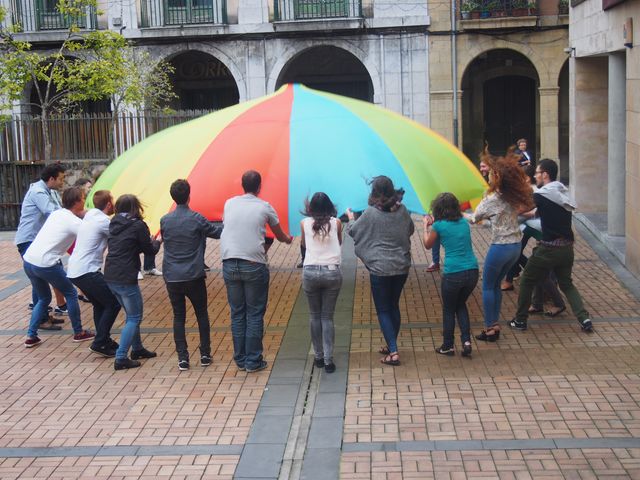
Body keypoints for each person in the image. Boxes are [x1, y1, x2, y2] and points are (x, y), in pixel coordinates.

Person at [221, 170, 293, 373]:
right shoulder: (265, 207)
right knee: (254, 313)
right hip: (254, 264)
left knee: (237, 313)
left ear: (242, 185)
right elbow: (278, 235)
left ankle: (240, 358)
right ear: (260, 186)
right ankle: (253, 360)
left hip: (229, 262)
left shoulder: (229, 203)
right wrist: (288, 239)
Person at [509, 159, 593, 332]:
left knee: (526, 280)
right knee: (566, 284)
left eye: (537, 173)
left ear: (545, 174)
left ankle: (520, 320)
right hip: (567, 249)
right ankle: (584, 319)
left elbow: (522, 208)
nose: (535, 176)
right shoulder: (561, 191)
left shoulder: (541, 194)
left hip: (548, 249)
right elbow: (535, 211)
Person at [467, 149, 534, 342]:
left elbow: (475, 217)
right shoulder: (511, 195)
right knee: (495, 285)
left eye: (489, 174)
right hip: (514, 246)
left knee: (488, 286)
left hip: (500, 247)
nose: (487, 176)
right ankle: (494, 324)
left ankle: (490, 328)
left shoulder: (492, 198)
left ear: (496, 177)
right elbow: (498, 219)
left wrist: (463, 216)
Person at [347, 176, 414, 366]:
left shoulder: (370, 213)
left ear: (374, 191)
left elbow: (353, 231)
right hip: (401, 266)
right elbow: (410, 230)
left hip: (379, 268)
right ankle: (390, 342)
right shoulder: (402, 210)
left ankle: (393, 352)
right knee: (393, 306)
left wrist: (352, 219)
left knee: (383, 310)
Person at [161, 179, 223, 371]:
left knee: (178, 316)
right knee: (201, 313)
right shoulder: (196, 218)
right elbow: (216, 232)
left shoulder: (165, 220)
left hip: (172, 274)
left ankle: (183, 357)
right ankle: (205, 353)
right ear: (189, 196)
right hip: (193, 274)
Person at [22, 187, 95, 348]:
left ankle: (31, 336)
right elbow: (91, 232)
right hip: (45, 263)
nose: (84, 201)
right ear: (76, 202)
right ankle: (79, 332)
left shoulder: (57, 213)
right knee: (70, 293)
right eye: (83, 198)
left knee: (43, 298)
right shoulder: (73, 222)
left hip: (29, 260)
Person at [104, 194, 162, 370]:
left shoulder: (114, 223)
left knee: (131, 315)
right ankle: (121, 357)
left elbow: (127, 244)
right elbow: (148, 249)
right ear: (135, 207)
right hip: (126, 277)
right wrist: (157, 242)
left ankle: (137, 349)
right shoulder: (138, 226)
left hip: (111, 275)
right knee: (135, 317)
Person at [67, 190, 121, 357]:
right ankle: (100, 341)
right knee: (113, 303)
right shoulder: (103, 221)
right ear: (109, 204)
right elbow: (120, 235)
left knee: (100, 304)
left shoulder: (91, 215)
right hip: (87, 270)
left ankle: (103, 340)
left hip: (76, 270)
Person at [424, 193, 478, 357]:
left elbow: (427, 245)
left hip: (453, 273)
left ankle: (448, 345)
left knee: (449, 309)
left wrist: (425, 227)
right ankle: (466, 341)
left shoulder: (439, 226)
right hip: (472, 271)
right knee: (460, 305)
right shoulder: (463, 222)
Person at [15, 164, 66, 330]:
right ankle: (41, 319)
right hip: (29, 240)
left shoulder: (47, 191)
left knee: (39, 280)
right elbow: (52, 211)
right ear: (51, 179)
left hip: (34, 240)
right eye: (61, 178)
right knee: (39, 279)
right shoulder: (38, 192)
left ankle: (43, 316)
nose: (62, 182)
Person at [300, 192, 343, 373]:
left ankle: (317, 356)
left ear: (311, 208)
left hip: (310, 271)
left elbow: (303, 245)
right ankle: (328, 360)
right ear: (329, 206)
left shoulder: (304, 224)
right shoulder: (337, 223)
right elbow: (339, 243)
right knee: (327, 317)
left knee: (314, 315)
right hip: (332, 272)